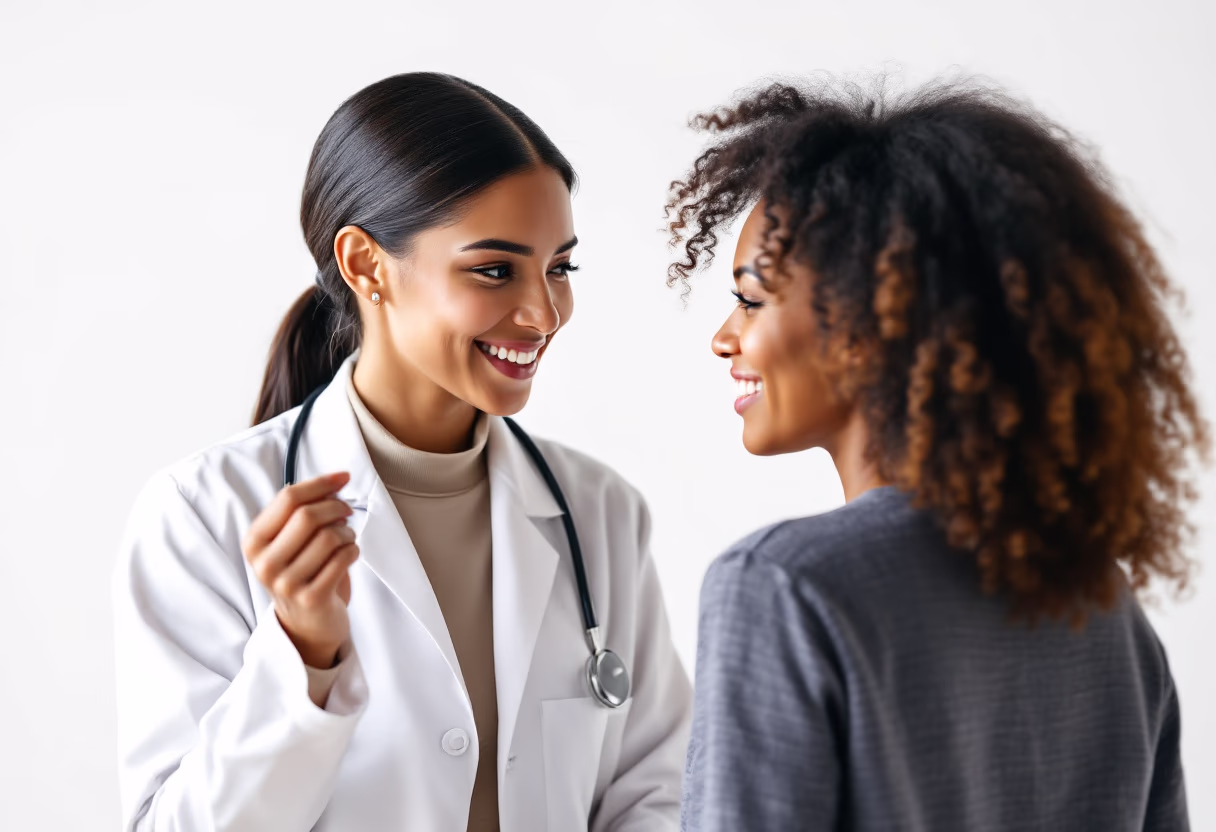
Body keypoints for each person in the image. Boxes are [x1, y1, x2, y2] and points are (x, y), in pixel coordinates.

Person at [113, 72, 691, 832]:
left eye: (560, 268)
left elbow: (660, 796)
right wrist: (304, 656)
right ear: (365, 265)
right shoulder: (204, 514)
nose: (543, 313)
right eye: (494, 269)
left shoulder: (600, 513)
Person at [665, 79, 1209, 831]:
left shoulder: (784, 586)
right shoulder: (1103, 606)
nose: (725, 336)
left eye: (753, 299)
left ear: (867, 318)